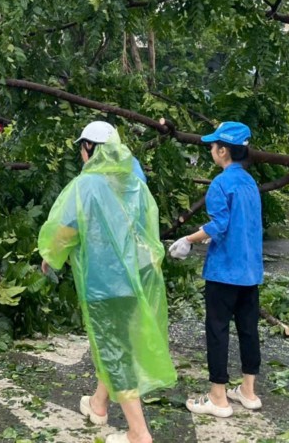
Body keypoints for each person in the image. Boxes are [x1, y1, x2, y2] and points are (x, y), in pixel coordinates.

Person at [38, 123, 175, 443]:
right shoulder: (134, 183)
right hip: (133, 282)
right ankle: (99, 406)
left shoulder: (86, 185)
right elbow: (146, 234)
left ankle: (139, 434)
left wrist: (51, 257)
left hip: (103, 285)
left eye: (81, 148)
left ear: (89, 148)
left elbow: (65, 230)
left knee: (114, 350)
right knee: (115, 344)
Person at [170, 121, 264, 418]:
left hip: (224, 272)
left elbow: (220, 226)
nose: (211, 150)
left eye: (212, 146)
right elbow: (240, 224)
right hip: (250, 271)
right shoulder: (249, 183)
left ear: (223, 151)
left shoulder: (221, 184)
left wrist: (188, 239)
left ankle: (218, 398)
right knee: (249, 330)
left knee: (218, 330)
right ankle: (248, 392)